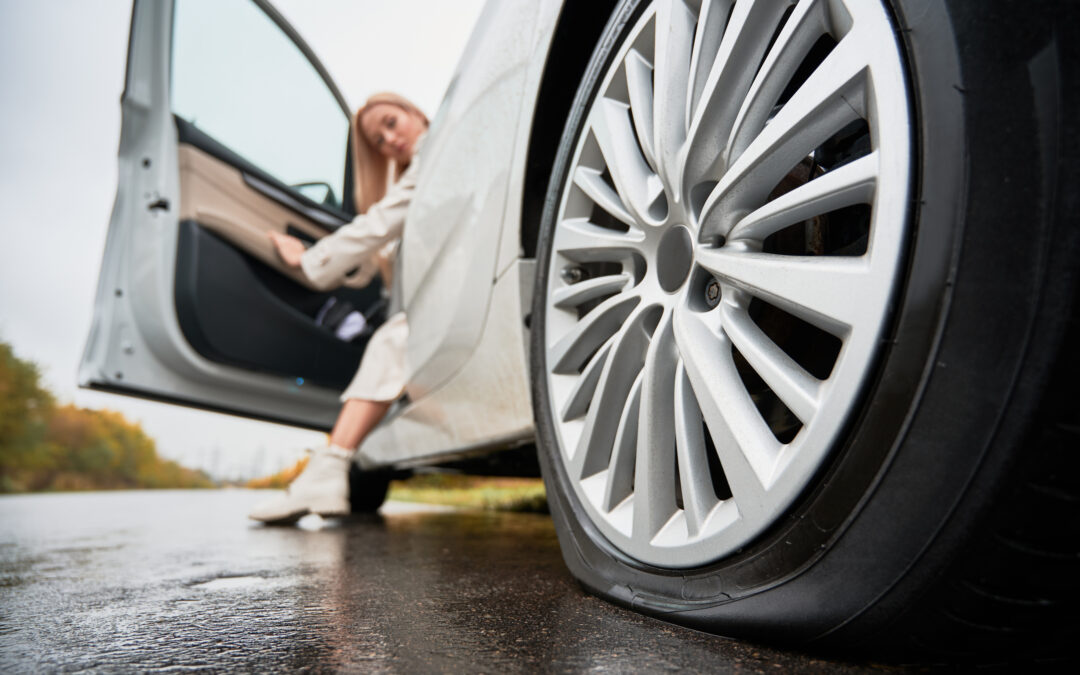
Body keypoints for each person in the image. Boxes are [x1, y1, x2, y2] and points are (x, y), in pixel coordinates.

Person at [249, 92, 429, 524]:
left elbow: (378, 223)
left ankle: (325, 472)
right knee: (390, 338)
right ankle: (327, 471)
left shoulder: (435, 152)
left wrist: (309, 258)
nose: (390, 139)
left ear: (414, 112)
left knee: (393, 339)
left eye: (391, 122)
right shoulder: (416, 173)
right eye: (379, 141)